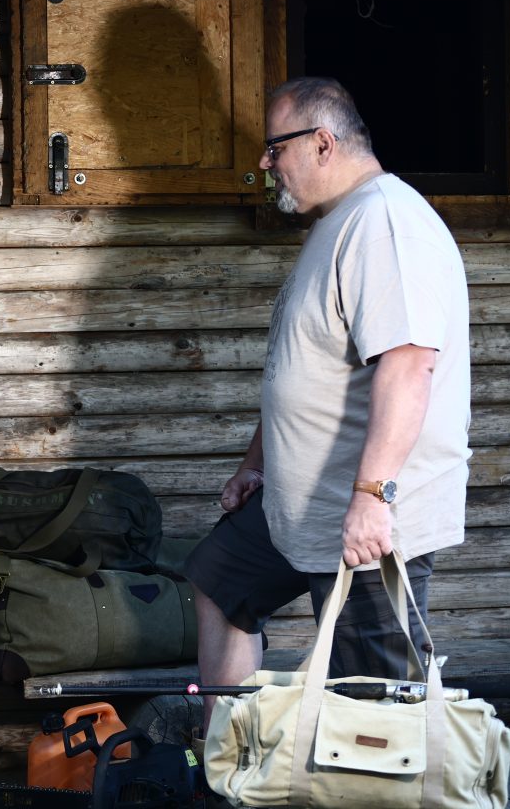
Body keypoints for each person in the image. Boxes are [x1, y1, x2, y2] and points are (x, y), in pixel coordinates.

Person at [185, 77, 472, 734]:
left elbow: (408, 366)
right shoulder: (339, 225)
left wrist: (373, 495)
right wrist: (256, 463)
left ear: (322, 143)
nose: (265, 162)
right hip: (300, 495)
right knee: (221, 581)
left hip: (364, 507)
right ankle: (232, 763)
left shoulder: (386, 224)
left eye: (274, 147)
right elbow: (304, 366)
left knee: (369, 691)